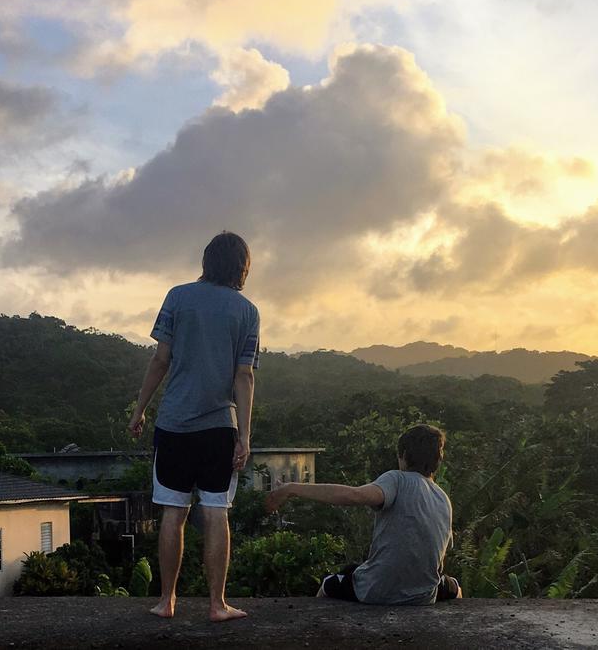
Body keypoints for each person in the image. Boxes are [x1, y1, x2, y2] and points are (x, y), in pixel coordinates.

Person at [127, 231, 260, 622]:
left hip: (174, 425)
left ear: (206, 261)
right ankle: (217, 605)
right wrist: (245, 436)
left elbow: (159, 360)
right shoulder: (248, 311)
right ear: (242, 268)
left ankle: (167, 600)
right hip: (220, 428)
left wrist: (139, 410)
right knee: (217, 511)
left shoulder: (177, 297)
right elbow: (245, 376)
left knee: (173, 512)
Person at [264, 423, 461, 605]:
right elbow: (437, 557)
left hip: (377, 591)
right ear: (437, 461)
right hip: (425, 596)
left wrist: (291, 488)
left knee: (330, 583)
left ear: (403, 455)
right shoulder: (444, 499)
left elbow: (355, 495)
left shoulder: (396, 479)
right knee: (455, 588)